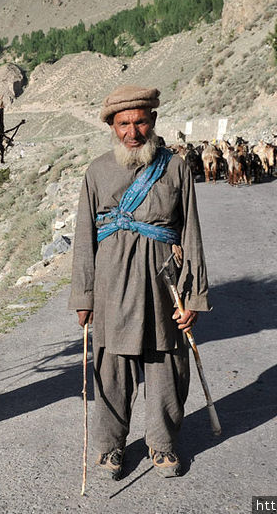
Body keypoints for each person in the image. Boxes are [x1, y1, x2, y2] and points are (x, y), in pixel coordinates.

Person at [69, 85, 210, 479]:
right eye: (123, 124)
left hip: (164, 286)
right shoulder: (96, 171)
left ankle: (163, 444)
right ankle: (111, 446)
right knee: (112, 369)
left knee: (166, 364)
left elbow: (192, 234)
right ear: (112, 126)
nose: (133, 132)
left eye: (141, 122)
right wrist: (84, 295)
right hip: (112, 286)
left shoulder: (176, 168)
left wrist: (193, 295)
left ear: (153, 121)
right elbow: (83, 238)